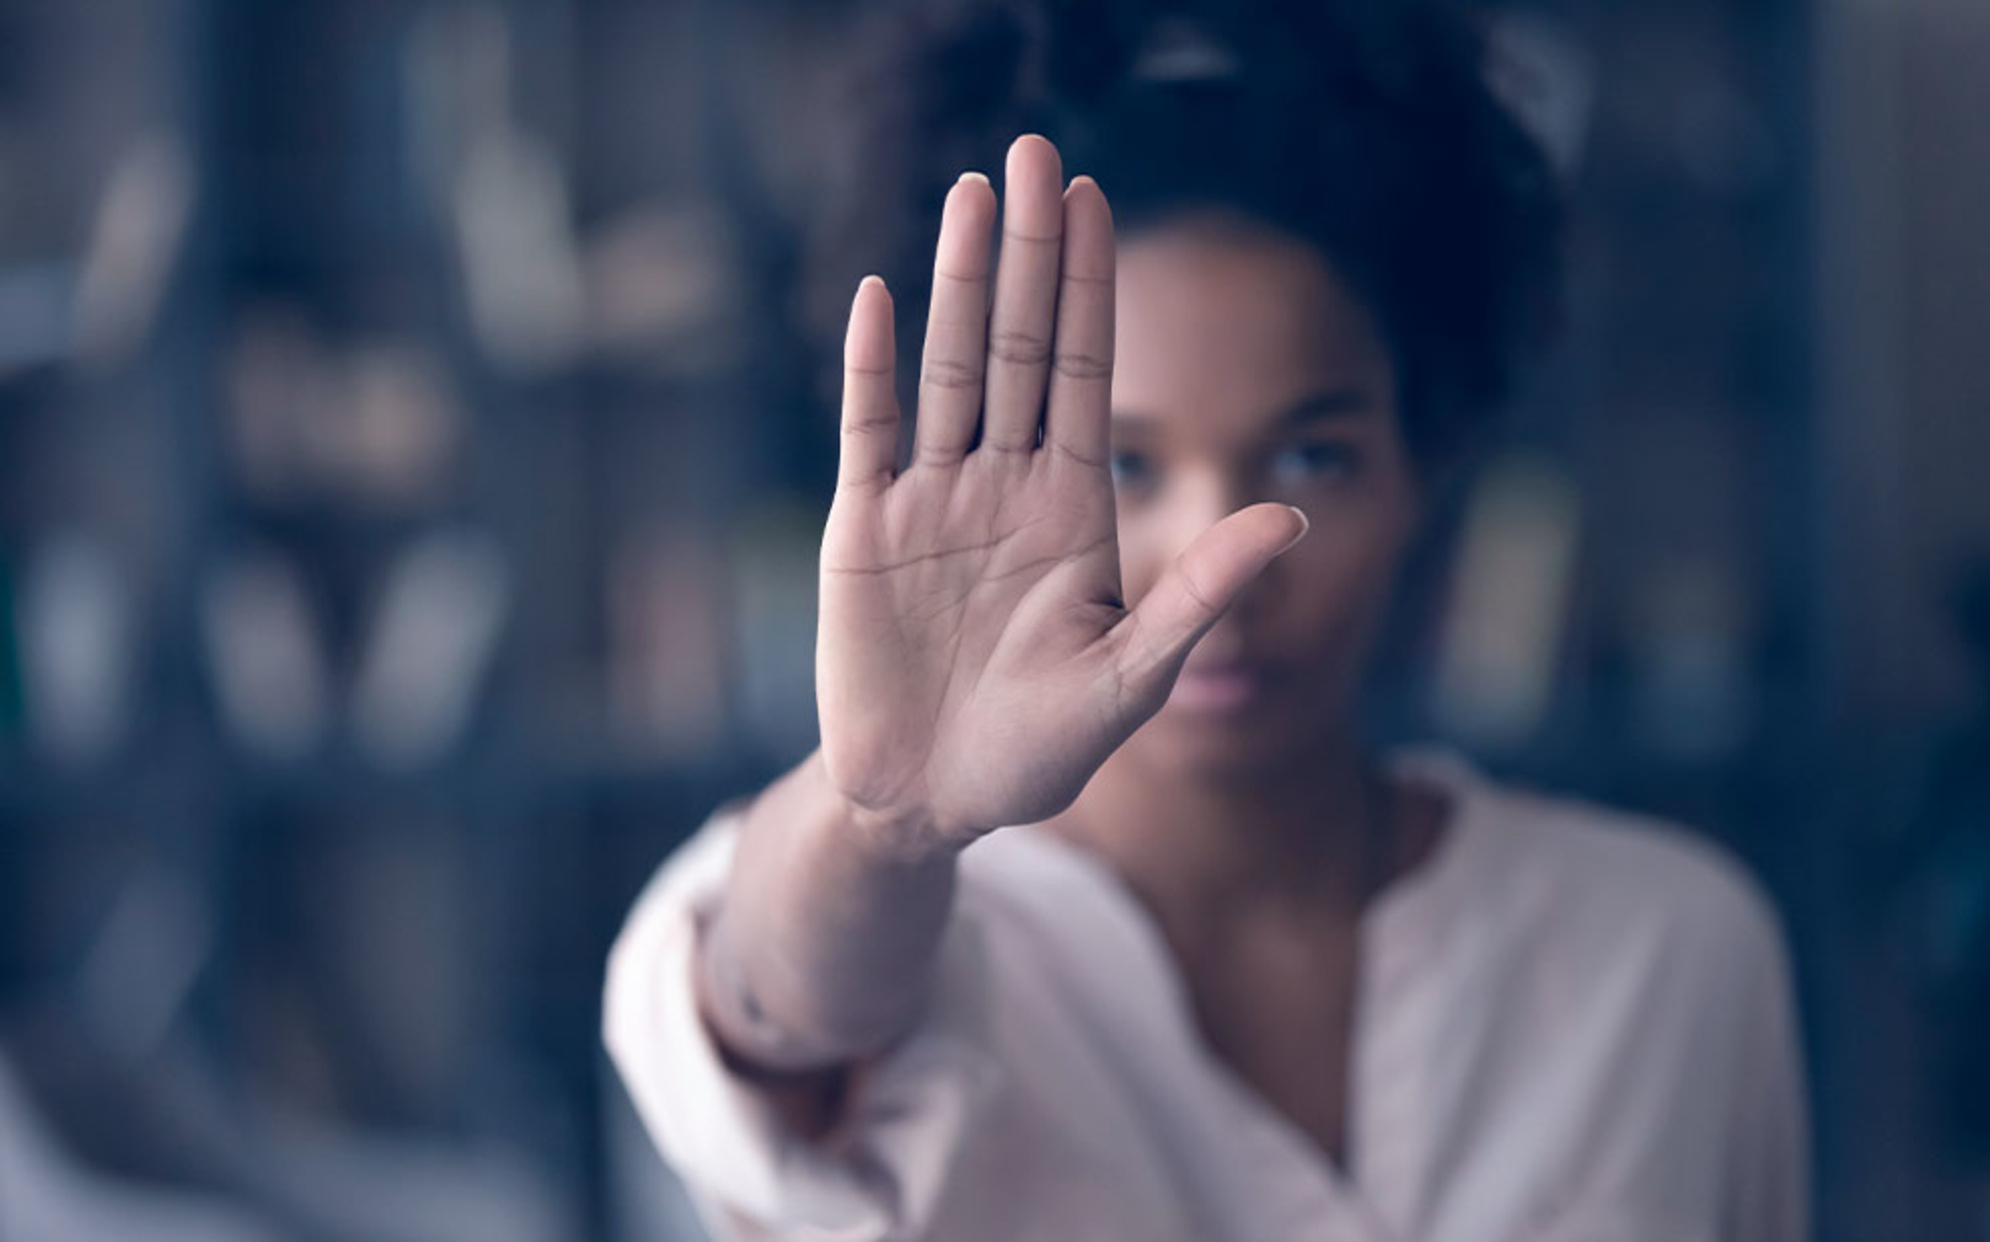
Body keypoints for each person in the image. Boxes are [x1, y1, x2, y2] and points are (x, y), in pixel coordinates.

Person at [604, 4, 1809, 1239]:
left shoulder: (1669, 955)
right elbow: (780, 1004)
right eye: (1122, 467)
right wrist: (883, 821)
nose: (1215, 565)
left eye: (1311, 454)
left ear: (1425, 466)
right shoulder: (872, 897)